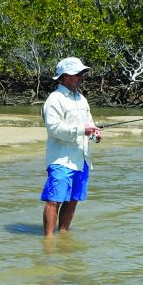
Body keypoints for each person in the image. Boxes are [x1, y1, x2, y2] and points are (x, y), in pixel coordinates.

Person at [40, 57, 102, 237]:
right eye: (78, 74)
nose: (81, 77)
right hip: (61, 159)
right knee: (54, 200)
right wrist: (82, 130)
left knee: (73, 200)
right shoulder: (55, 99)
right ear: (65, 76)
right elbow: (54, 129)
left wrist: (95, 134)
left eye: (82, 73)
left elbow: (89, 124)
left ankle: (64, 235)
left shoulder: (81, 99)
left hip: (81, 158)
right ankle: (49, 240)